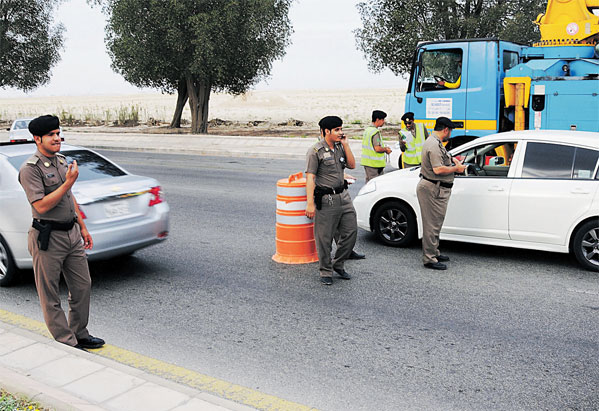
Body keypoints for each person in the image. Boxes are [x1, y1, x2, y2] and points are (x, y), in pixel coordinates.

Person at [18, 115, 105, 349]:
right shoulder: (30, 169)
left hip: (72, 233)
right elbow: (41, 205)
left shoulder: (61, 160)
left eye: (58, 133)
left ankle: (80, 332)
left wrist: (83, 227)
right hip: (47, 237)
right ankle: (66, 340)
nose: (57, 138)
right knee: (50, 294)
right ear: (38, 139)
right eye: (51, 135)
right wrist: (68, 183)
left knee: (82, 285)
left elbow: (68, 197)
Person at [305, 116, 358, 285]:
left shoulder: (339, 147)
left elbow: (352, 165)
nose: (341, 133)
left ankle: (338, 264)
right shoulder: (315, 151)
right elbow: (310, 178)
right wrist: (310, 203)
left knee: (350, 233)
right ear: (326, 131)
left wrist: (346, 145)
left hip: (343, 196)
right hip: (326, 200)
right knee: (324, 238)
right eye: (337, 130)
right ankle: (326, 270)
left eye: (341, 129)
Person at [416, 116, 466, 270]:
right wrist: (456, 169)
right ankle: (429, 258)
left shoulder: (436, 142)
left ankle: (434, 252)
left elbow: (443, 160)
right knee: (431, 225)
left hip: (436, 188)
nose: (450, 133)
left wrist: (454, 160)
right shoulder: (434, 145)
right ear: (446, 130)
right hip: (432, 188)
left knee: (436, 223)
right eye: (450, 130)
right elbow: (438, 169)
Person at [360, 110, 391, 183]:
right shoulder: (375, 132)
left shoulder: (367, 130)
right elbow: (377, 148)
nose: (384, 121)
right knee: (374, 185)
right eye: (383, 119)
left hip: (368, 162)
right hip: (373, 164)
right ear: (377, 119)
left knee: (369, 184)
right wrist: (386, 150)